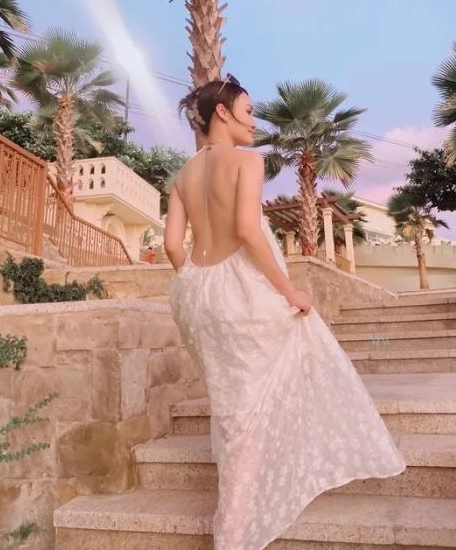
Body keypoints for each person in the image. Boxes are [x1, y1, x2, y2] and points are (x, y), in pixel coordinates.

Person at [164, 76, 406, 550]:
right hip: (241, 294)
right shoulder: (247, 162)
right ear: (222, 113)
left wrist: (198, 285)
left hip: (197, 295)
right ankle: (235, 530)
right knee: (286, 370)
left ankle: (246, 504)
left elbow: (174, 245)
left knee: (234, 407)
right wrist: (289, 290)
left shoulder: (183, 175)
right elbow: (247, 229)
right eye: (248, 110)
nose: (255, 121)